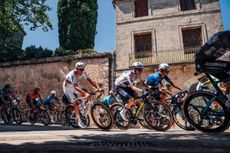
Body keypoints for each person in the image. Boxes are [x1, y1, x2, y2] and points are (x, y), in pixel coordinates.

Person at [194, 30, 230, 107]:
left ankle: (227, 104)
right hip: (202, 63)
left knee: (228, 82)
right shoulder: (227, 35)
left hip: (209, 62)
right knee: (228, 66)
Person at [63, 61, 100, 128]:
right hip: (68, 89)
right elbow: (76, 87)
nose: (82, 71)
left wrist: (97, 87)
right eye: (80, 69)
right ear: (76, 68)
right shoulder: (72, 74)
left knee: (86, 91)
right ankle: (79, 121)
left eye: (83, 69)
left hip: (75, 86)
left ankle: (83, 105)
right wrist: (85, 94)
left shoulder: (83, 73)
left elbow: (89, 80)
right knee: (76, 103)